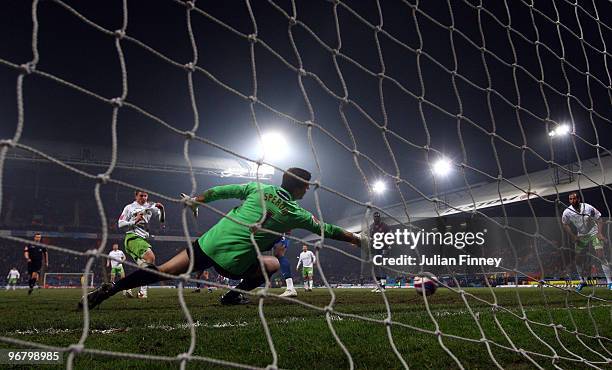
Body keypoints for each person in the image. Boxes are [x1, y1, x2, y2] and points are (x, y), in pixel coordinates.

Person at [81, 167, 362, 309]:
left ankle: (112, 289)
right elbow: (328, 230)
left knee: (163, 271)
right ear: (301, 188)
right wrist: (357, 240)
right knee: (274, 264)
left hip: (208, 243)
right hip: (233, 262)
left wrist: (197, 200)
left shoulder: (256, 188)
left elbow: (221, 191)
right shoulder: (296, 212)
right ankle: (232, 296)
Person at [117, 190, 165, 299]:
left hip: (142, 239)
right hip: (132, 237)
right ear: (136, 196)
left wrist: (162, 210)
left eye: (145, 196)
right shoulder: (129, 207)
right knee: (151, 258)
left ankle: (126, 287)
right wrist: (134, 221)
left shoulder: (151, 207)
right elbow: (120, 224)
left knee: (145, 268)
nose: (143, 197)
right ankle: (143, 292)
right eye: (141, 195)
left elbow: (161, 222)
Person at [561, 192, 611, 292]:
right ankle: (582, 281)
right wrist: (573, 236)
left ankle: (610, 282)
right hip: (581, 235)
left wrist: (600, 233)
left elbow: (599, 219)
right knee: (578, 259)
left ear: (579, 199)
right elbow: (565, 224)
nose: (572, 201)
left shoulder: (588, 207)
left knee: (600, 255)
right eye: (570, 199)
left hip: (593, 232)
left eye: (574, 198)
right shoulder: (567, 212)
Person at [370, 211, 390, 292]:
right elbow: (371, 237)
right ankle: (378, 286)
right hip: (375, 249)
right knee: (376, 268)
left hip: (383, 248)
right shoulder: (372, 226)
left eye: (378, 217)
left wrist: (387, 247)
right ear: (373, 218)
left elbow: (390, 237)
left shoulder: (384, 226)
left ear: (379, 217)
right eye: (375, 217)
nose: (376, 218)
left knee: (382, 267)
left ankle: (383, 287)